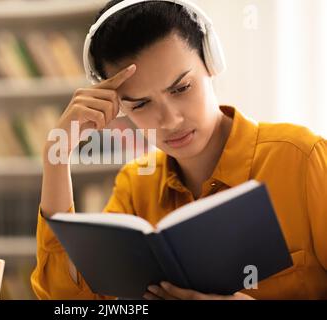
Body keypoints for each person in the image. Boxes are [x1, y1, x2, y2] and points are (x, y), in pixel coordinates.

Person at [31, 0, 327, 300]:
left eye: (181, 88)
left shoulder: (302, 159)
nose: (171, 120)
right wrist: (57, 156)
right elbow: (68, 303)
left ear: (211, 62)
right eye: (141, 104)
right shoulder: (135, 187)